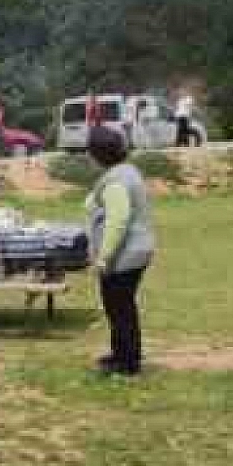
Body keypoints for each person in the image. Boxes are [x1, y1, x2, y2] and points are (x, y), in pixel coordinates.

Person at [86, 126, 155, 377]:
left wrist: (104, 257)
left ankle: (127, 363)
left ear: (97, 154)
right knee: (120, 308)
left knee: (119, 309)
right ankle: (121, 355)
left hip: (123, 256)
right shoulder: (127, 171)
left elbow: (118, 220)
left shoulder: (115, 181)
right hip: (134, 252)